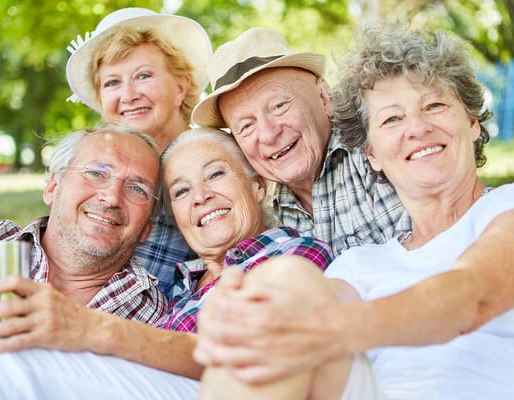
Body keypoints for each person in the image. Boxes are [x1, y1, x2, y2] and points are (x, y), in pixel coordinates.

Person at [194, 23, 514, 399]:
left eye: (435, 105)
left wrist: (324, 328)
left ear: (473, 123)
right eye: (392, 119)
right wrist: (245, 316)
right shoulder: (359, 262)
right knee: (283, 282)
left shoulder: (504, 208)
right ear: (372, 153)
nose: (417, 128)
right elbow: (301, 303)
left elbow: (470, 295)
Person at [0, 127, 332, 400]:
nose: (201, 196)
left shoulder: (291, 252)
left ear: (258, 186)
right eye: (181, 190)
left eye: (215, 174)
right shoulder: (178, 287)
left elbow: (257, 353)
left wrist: (90, 327)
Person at [0, 124, 167, 399]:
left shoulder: (152, 321)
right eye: (96, 173)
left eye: (137, 189)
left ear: (147, 229)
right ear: (53, 187)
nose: (112, 197)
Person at [191, 27, 411, 257]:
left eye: (278, 106)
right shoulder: (260, 214)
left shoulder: (376, 149)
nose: (268, 134)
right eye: (246, 126)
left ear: (324, 97)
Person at [66, 7, 212, 296]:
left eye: (143, 76)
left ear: (181, 87)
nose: (128, 95)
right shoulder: (92, 169)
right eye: (112, 83)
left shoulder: (212, 160)